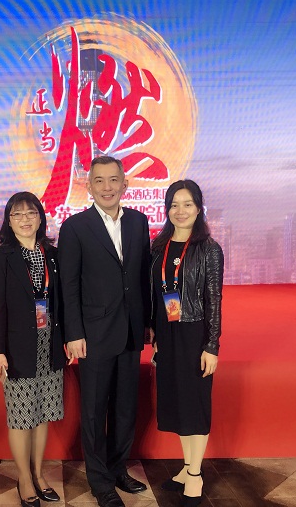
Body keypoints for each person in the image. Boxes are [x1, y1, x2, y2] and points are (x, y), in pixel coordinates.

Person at [58, 156, 151, 507]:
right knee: (95, 411)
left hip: (131, 330)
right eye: (99, 180)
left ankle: (117, 468)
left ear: (125, 184)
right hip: (93, 334)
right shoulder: (75, 227)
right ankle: (100, 482)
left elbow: (142, 277)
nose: (107, 187)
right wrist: (73, 333)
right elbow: (68, 286)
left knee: (126, 408)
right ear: (89, 186)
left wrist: (148, 323)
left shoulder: (139, 222)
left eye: (114, 180)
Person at [0, 192, 66, 507]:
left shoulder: (53, 255)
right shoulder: (0, 258)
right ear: (8, 221)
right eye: (17, 214)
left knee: (43, 413)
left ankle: (38, 473)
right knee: (21, 416)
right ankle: (23, 478)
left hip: (50, 344)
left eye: (31, 213)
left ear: (40, 217)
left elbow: (62, 301)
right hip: (17, 347)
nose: (25, 219)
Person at [148, 180, 224, 506]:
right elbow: (155, 294)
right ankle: (187, 466)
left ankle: (195, 474)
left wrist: (212, 345)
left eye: (187, 204)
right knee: (178, 403)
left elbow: (214, 300)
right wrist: (154, 334)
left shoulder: (209, 249)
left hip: (195, 334)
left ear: (198, 208)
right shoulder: (158, 247)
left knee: (195, 404)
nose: (180, 211)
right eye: (174, 205)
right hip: (167, 334)